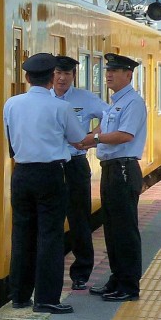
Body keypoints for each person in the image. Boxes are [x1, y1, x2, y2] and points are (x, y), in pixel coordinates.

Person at [3, 52, 86, 314]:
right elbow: (77, 139)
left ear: (27, 78)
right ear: (52, 78)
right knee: (50, 236)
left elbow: (9, 139)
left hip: (21, 174)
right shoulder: (61, 107)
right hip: (50, 174)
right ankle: (46, 299)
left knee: (22, 234)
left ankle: (19, 295)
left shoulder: (12, 104)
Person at [77, 53, 148, 302]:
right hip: (111, 169)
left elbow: (125, 135)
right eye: (108, 70)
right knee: (112, 228)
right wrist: (87, 137)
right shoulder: (116, 103)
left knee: (125, 230)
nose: (109, 74)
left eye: (115, 71)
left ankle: (129, 286)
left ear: (128, 75)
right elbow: (104, 129)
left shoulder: (133, 103)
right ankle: (117, 278)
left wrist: (93, 140)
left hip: (124, 169)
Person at [53, 56, 108, 290]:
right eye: (58, 73)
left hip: (75, 165)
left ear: (73, 76)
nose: (62, 78)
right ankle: (50, 271)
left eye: (67, 74)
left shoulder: (84, 98)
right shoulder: (42, 97)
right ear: (51, 75)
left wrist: (91, 138)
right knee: (50, 220)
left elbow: (111, 117)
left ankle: (81, 272)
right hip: (51, 165)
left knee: (79, 220)